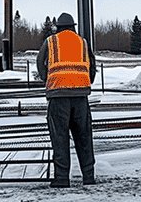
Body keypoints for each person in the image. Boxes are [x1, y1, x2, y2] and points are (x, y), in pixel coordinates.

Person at [36, 12, 97, 187]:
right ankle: (88, 176)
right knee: (84, 137)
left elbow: (41, 63)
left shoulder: (51, 41)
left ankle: (62, 178)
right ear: (73, 27)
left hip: (58, 96)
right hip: (80, 97)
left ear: (58, 28)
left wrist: (48, 81)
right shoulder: (83, 42)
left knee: (60, 138)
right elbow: (91, 66)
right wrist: (85, 82)